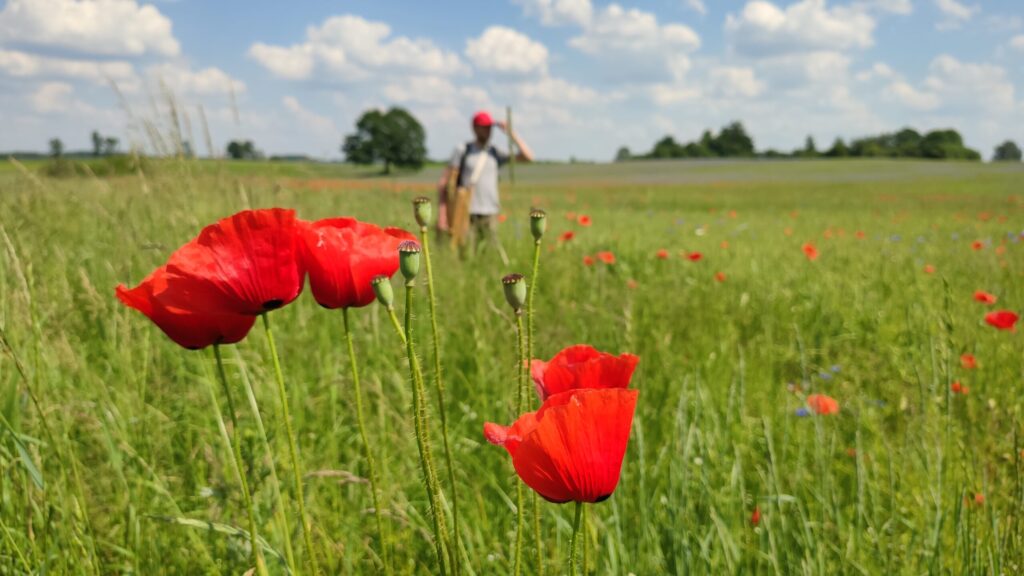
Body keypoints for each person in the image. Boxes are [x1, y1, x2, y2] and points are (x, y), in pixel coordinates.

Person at [437, 111, 533, 260]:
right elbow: (444, 183)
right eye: (483, 127)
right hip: (465, 211)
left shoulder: (494, 152)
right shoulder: (463, 150)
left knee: (487, 253)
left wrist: (510, 133)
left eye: (489, 127)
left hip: (490, 212)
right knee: (465, 252)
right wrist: (442, 216)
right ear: (474, 128)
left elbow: (528, 157)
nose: (487, 131)